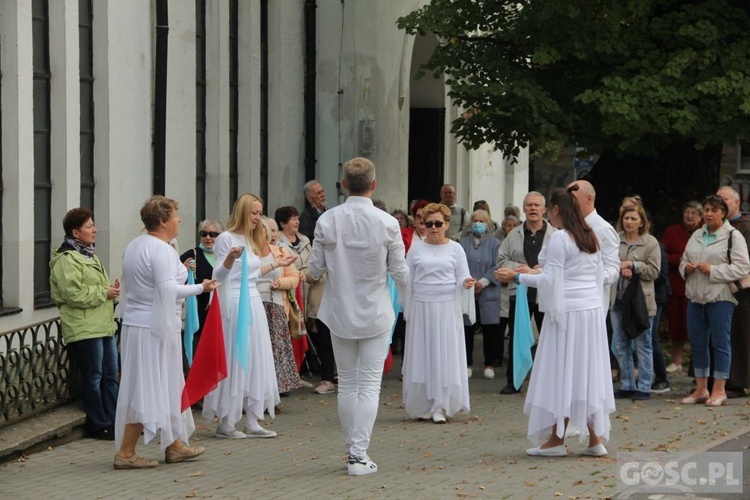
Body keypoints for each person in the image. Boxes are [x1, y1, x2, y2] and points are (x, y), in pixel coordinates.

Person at [495, 186, 615, 457]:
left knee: (561, 371)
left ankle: (556, 439)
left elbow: (551, 279)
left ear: (557, 210)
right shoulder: (590, 235)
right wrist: (530, 271)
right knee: (585, 372)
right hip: (590, 312)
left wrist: (516, 277)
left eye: (549, 210)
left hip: (568, 314)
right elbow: (566, 272)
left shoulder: (561, 238)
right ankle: (594, 438)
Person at [309, 157, 409, 476]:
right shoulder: (387, 223)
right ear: (374, 184)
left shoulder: (327, 220)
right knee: (368, 385)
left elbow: (313, 270)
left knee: (349, 383)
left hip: (339, 311)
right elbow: (400, 271)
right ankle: (357, 453)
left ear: (343, 185)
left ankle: (353, 451)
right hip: (375, 312)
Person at [114, 196, 217, 469]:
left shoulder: (135, 245)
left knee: (168, 384)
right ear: (162, 221)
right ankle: (126, 453)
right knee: (147, 387)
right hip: (153, 327)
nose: (179, 220)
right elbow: (165, 289)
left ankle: (174, 444)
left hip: (142, 324)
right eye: (175, 215)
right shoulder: (160, 250)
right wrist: (201, 288)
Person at [203, 194, 296, 439]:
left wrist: (277, 264)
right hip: (233, 302)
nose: (257, 218)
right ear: (243, 212)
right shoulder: (226, 238)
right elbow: (219, 276)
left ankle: (253, 419)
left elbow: (253, 272)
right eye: (254, 213)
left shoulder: (251, 239)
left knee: (256, 357)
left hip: (254, 300)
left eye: (260, 212)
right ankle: (226, 421)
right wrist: (231, 259)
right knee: (236, 358)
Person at [50, 208, 120, 441]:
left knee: (110, 375)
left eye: (93, 225)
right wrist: (104, 292)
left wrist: (112, 292)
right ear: (75, 232)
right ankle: (99, 425)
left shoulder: (89, 255)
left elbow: (95, 291)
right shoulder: (66, 260)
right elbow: (72, 294)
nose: (95, 230)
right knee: (94, 376)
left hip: (103, 325)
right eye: (89, 226)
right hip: (84, 329)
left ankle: (114, 420)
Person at [404, 203, 475, 423]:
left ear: (446, 225)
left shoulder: (456, 248)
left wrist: (466, 282)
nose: (433, 228)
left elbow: (463, 274)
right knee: (423, 353)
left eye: (437, 223)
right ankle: (425, 403)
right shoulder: (416, 248)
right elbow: (407, 278)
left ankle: (441, 404)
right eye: (428, 224)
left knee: (444, 354)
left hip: (446, 307)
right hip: (422, 307)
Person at [680, 195, 750, 406]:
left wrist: (714, 270)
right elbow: (684, 260)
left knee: (721, 343)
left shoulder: (733, 236)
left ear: (723, 213)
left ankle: (719, 389)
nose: (709, 214)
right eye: (707, 210)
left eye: (714, 210)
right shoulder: (697, 235)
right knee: (698, 344)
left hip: (721, 296)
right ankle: (701, 389)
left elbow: (743, 267)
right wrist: (686, 269)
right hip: (695, 296)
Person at [496, 191, 555, 394]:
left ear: (544, 209)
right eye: (529, 205)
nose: (532, 209)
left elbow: (562, 265)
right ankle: (514, 381)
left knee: (550, 338)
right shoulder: (514, 234)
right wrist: (518, 267)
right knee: (516, 337)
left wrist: (542, 268)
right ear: (524, 209)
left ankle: (550, 382)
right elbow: (501, 260)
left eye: (536, 205)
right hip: (520, 292)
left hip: (545, 293)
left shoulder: (554, 235)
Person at [568, 180, 621, 378]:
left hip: (591, 304)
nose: (568, 205)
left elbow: (612, 269)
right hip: (570, 303)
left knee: (587, 362)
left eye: (572, 200)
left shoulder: (603, 229)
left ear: (588, 199)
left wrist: (589, 276)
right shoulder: (569, 228)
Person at [610, 204, 661, 401]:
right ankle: (627, 384)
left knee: (643, 344)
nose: (629, 222)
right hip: (617, 299)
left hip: (641, 302)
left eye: (633, 218)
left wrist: (634, 265)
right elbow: (606, 264)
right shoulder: (616, 241)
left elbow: (654, 271)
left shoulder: (650, 243)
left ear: (642, 222)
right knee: (621, 344)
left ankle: (644, 385)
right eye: (626, 218)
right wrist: (620, 268)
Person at [258, 217, 303, 396]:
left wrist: (281, 282)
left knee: (277, 346)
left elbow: (294, 277)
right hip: (255, 303)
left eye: (273, 230)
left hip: (276, 304)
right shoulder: (249, 252)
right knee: (259, 348)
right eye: (266, 230)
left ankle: (279, 386)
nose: (271, 234)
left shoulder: (281, 251)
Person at [459, 209, 501, 379]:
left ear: (488, 224)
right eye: (475, 220)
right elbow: (459, 264)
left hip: (488, 291)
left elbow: (498, 265)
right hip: (467, 290)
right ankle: (467, 364)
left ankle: (489, 364)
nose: (478, 223)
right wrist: (469, 280)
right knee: (467, 329)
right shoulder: (463, 243)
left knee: (489, 330)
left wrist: (483, 282)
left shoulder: (495, 243)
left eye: (482, 221)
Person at [661, 201, 702, 373]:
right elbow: (663, 255)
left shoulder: (704, 233)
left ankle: (697, 363)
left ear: (700, 217)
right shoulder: (672, 232)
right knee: (677, 324)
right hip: (677, 285)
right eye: (687, 212)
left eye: (694, 213)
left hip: (699, 285)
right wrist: (680, 260)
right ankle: (676, 360)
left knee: (697, 326)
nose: (690, 216)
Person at [717, 186, 750, 397]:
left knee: (738, 335)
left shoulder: (745, 228)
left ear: (736, 202)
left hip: (738, 289)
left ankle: (735, 381)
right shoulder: (712, 228)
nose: (719, 204)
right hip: (714, 289)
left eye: (724, 200)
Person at [180, 219, 224, 367]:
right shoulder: (192, 254)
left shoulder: (225, 256)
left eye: (213, 234)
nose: (208, 238)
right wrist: (197, 281)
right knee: (200, 352)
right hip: (200, 311)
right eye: (204, 234)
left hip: (221, 309)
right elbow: (178, 278)